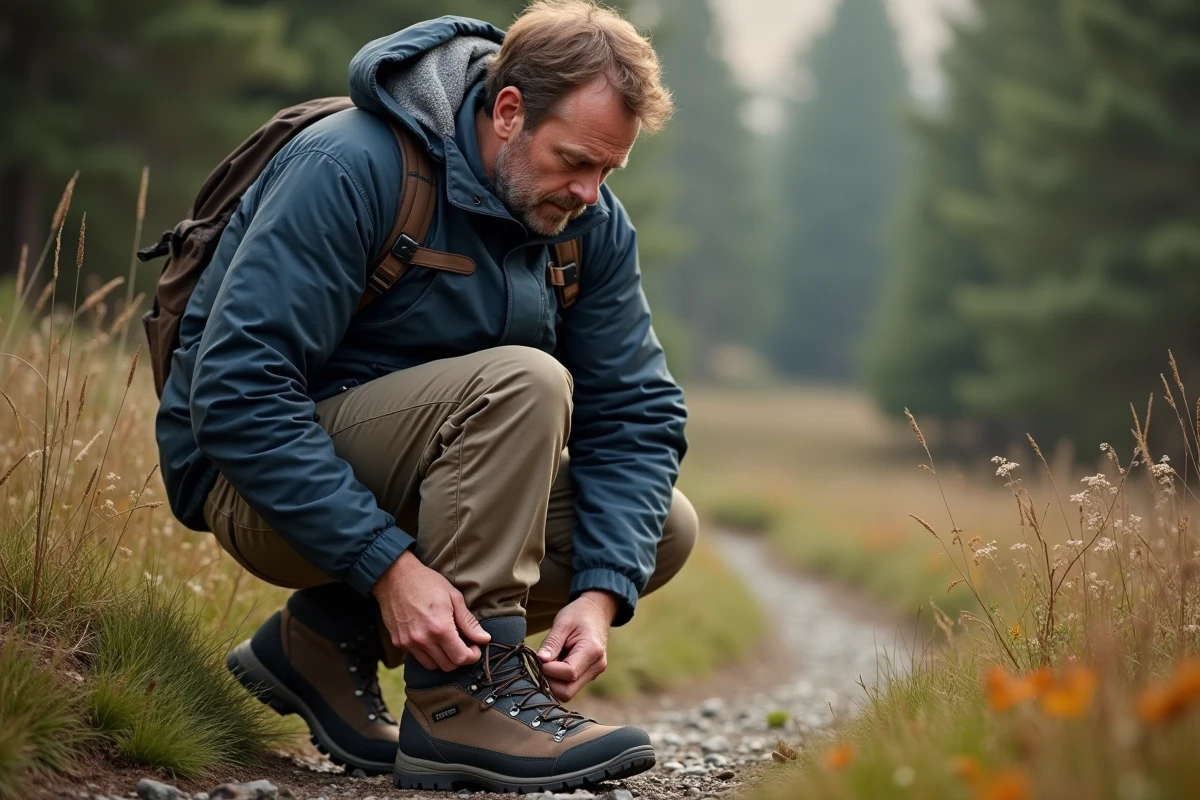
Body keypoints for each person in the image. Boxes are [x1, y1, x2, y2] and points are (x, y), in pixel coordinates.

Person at [154, 0, 695, 792]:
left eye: (608, 170)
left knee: (659, 533)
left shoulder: (588, 225)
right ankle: (462, 703)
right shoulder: (350, 166)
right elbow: (238, 393)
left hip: (413, 479)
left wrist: (601, 595)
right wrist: (385, 566)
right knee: (525, 381)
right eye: (574, 160)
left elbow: (636, 416)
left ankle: (325, 638)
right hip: (254, 492)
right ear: (508, 111)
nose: (588, 191)